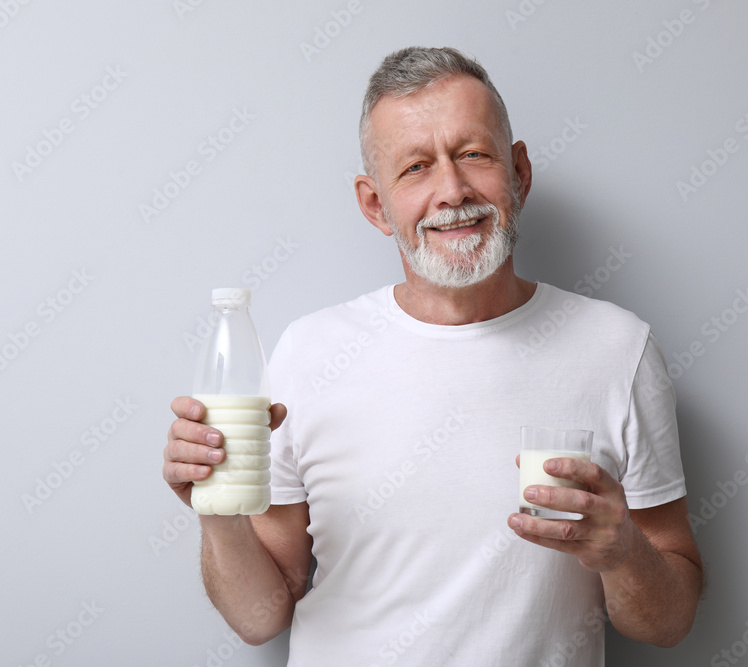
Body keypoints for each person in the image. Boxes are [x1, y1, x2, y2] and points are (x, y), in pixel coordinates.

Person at [163, 46, 703, 665]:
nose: (452, 190)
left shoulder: (618, 349)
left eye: (473, 154)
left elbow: (670, 623)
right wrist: (219, 514)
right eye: (415, 167)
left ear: (519, 172)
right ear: (375, 205)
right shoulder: (310, 354)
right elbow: (260, 619)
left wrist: (623, 551)